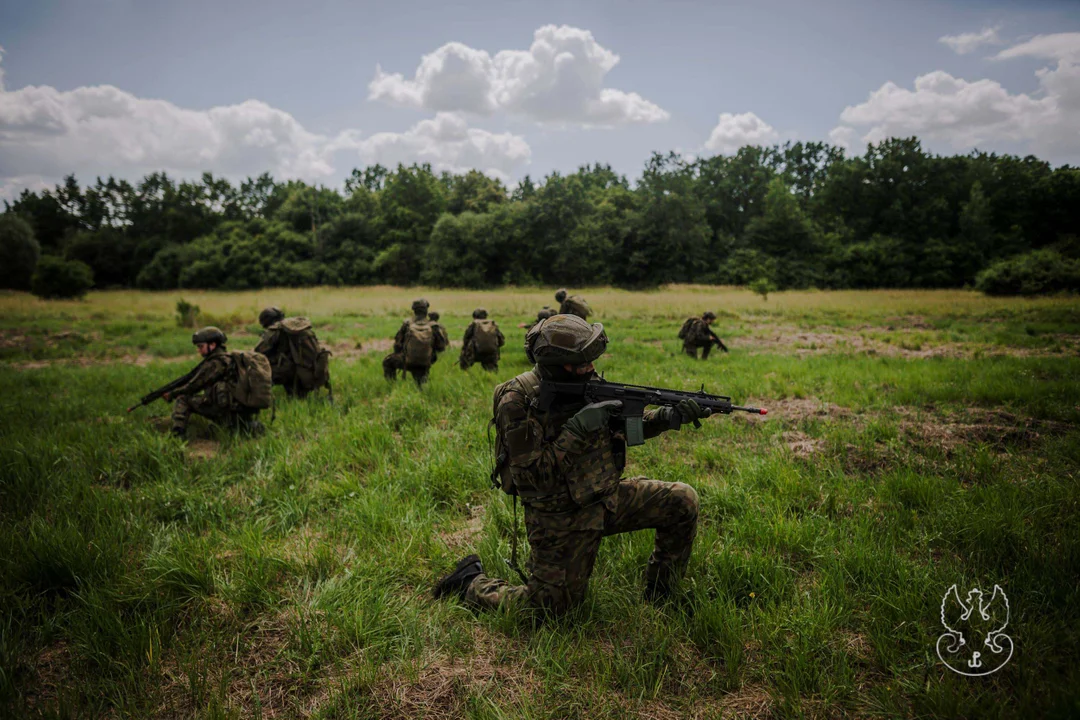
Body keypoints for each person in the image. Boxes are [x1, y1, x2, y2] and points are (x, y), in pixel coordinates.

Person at [434, 314, 710, 615]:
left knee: (682, 500)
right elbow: (533, 477)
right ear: (555, 364)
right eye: (581, 363)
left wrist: (666, 418)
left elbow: (624, 427)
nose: (590, 369)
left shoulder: (585, 382)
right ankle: (470, 582)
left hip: (605, 496)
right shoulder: (518, 401)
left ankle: (662, 594)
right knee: (548, 610)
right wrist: (576, 430)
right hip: (560, 515)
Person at [166, 327, 264, 438]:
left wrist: (172, 394)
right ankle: (241, 425)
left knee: (183, 399)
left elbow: (193, 386)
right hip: (240, 409)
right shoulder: (229, 358)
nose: (199, 350)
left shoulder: (215, 363)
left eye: (201, 346)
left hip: (225, 410)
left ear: (212, 345)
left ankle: (178, 434)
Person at [254, 306, 332, 398]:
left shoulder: (275, 330)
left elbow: (258, 352)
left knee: (258, 368)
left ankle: (260, 398)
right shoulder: (298, 326)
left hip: (291, 370)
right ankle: (297, 392)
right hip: (308, 369)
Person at [382, 298, 446, 387]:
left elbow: (397, 344)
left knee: (387, 362)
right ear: (426, 311)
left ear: (414, 310)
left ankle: (392, 387)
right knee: (421, 385)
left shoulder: (407, 324)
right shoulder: (433, 326)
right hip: (425, 362)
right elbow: (441, 347)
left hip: (407, 361)